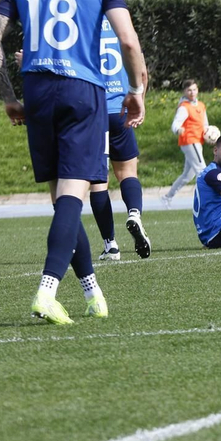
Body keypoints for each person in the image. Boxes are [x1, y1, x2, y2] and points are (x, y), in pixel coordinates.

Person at [0, 0, 148, 325]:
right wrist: (136, 90)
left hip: (37, 91)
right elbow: (128, 42)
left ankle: (92, 292)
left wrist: (8, 97)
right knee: (74, 197)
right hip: (82, 92)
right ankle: (47, 289)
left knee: (63, 201)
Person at [89, 17, 152, 260]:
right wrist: (141, 102)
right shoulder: (121, 26)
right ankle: (134, 213)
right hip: (120, 110)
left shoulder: (83, 22)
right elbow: (142, 70)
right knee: (127, 173)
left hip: (93, 113)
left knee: (98, 181)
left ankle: (110, 244)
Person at [162, 80, 208, 204]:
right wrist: (178, 129)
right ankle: (206, 200)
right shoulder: (184, 107)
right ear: (184, 92)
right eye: (189, 90)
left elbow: (205, 124)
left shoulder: (201, 105)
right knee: (202, 170)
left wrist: (209, 133)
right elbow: (175, 123)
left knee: (187, 176)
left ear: (198, 90)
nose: (192, 92)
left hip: (197, 141)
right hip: (189, 141)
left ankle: (167, 197)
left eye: (194, 89)